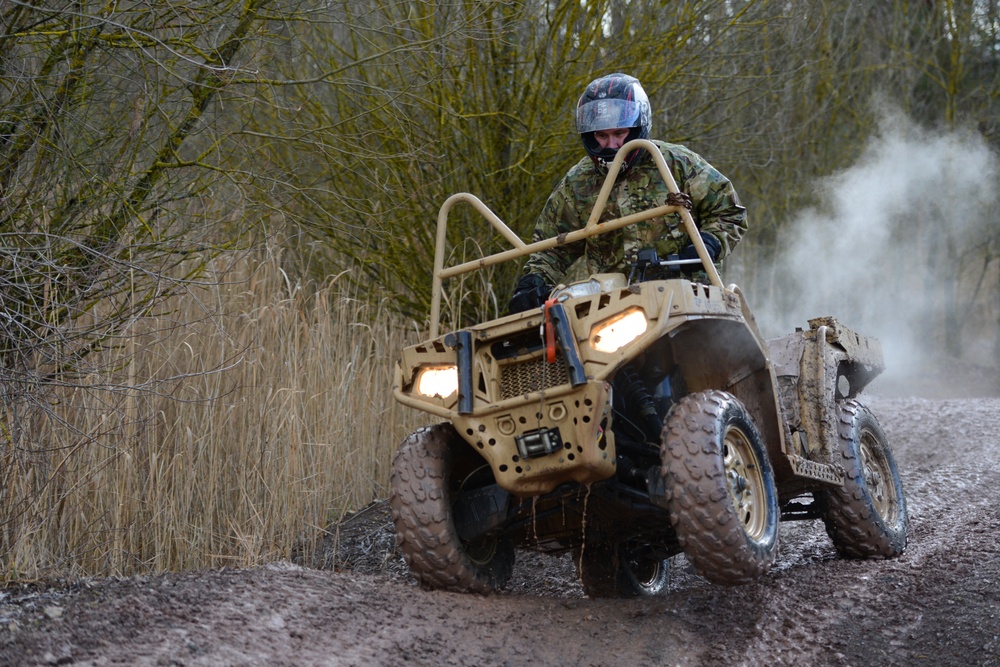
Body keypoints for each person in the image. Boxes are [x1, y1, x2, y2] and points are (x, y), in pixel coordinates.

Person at [508, 73, 747, 313]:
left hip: (689, 299)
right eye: (602, 136)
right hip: (613, 310)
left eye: (619, 134)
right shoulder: (577, 183)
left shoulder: (677, 164)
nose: (611, 145)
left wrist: (706, 245)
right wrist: (532, 284)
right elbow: (552, 248)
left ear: (636, 128)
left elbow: (729, 212)